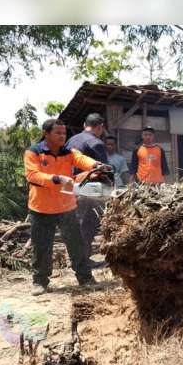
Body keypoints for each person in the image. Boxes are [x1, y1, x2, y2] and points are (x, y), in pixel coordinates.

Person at [24, 118, 110, 295]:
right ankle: (40, 282)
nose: (62, 136)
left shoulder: (68, 152)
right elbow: (33, 175)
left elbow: (82, 159)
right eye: (58, 133)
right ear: (46, 134)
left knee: (76, 244)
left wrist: (97, 165)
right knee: (41, 247)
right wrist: (56, 179)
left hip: (66, 207)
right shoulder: (34, 152)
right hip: (41, 208)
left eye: (64, 133)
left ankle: (85, 278)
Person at [65, 113, 110, 265]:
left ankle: (76, 258)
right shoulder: (96, 142)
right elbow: (104, 169)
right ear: (100, 127)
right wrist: (108, 192)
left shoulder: (71, 140)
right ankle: (82, 260)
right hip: (88, 188)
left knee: (77, 222)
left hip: (69, 186)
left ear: (85, 125)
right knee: (88, 223)